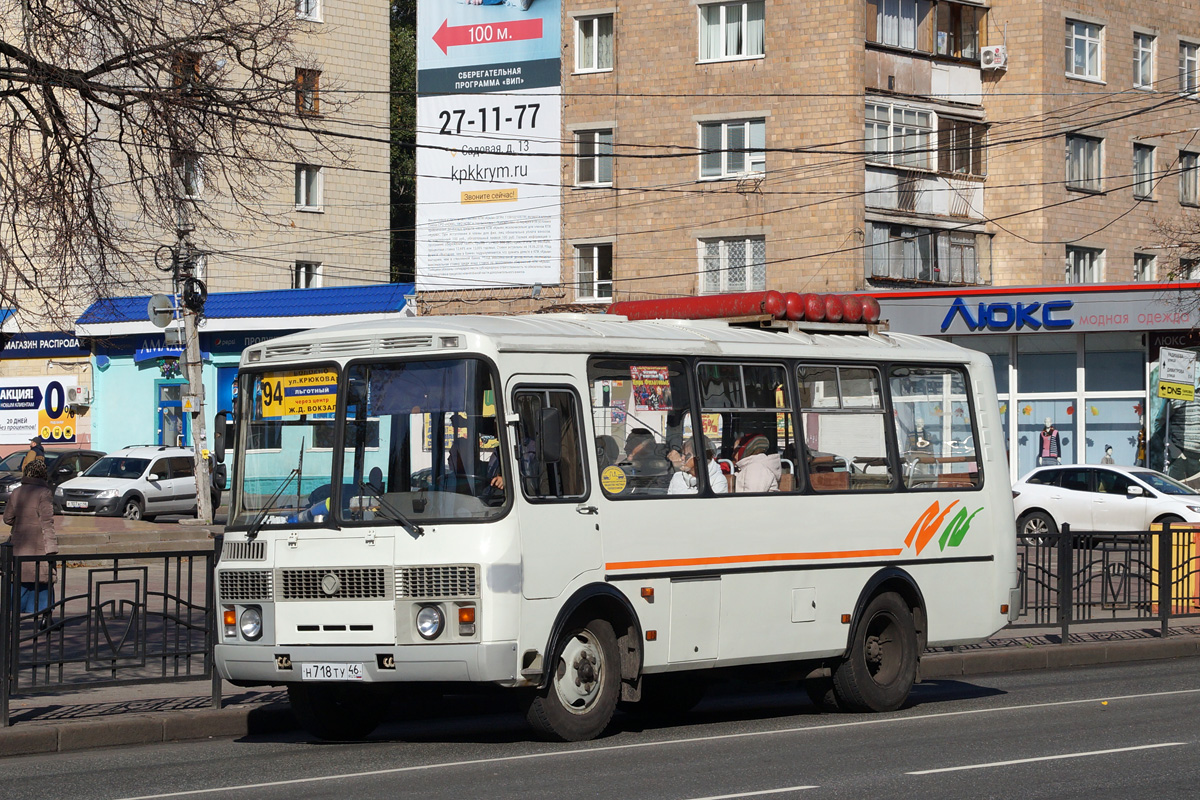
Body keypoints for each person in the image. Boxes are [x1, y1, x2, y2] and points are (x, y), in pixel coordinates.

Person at [3, 459, 57, 626]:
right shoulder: (44, 493)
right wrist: (52, 548)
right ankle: (44, 618)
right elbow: (47, 522)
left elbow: (7, 518)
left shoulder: (17, 492)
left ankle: (11, 618)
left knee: (18, 580)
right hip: (38, 545)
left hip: (19, 544)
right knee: (43, 581)